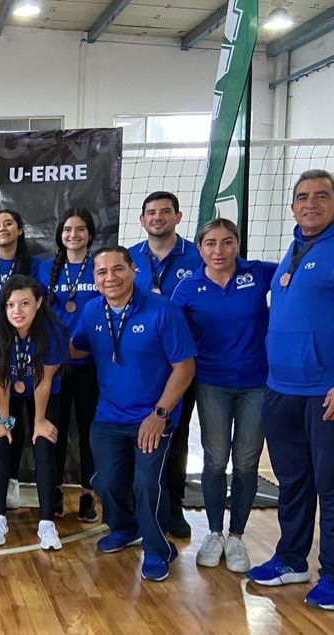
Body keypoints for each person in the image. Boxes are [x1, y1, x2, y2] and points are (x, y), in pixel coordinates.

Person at [247, 170, 334, 611]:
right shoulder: (296, 247)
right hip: (282, 388)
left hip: (331, 390)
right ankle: (291, 558)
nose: (310, 204)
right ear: (292, 207)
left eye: (321, 196)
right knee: (294, 482)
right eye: (302, 197)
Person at [70, 247, 195, 581]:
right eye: (101, 272)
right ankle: (124, 528)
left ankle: (158, 549)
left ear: (132, 271)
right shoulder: (93, 311)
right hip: (108, 418)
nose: (110, 277)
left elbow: (185, 367)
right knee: (107, 482)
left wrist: (159, 413)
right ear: (94, 278)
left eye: (117, 269)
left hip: (152, 418)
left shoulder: (162, 310)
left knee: (145, 484)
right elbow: (74, 347)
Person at [171, 218, 275, 573]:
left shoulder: (258, 274)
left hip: (257, 384)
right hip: (211, 383)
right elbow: (174, 336)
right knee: (215, 460)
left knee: (246, 462)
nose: (219, 251)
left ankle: (237, 536)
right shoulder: (187, 288)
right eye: (211, 243)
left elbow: (300, 279)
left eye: (227, 242)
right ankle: (214, 533)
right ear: (199, 248)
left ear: (238, 245)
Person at [128, 191, 203, 538]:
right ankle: (136, 507)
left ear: (178, 216)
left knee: (177, 433)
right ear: (142, 220)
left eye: (164, 212)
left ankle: (173, 506)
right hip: (138, 363)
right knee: (133, 432)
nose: (157, 218)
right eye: (151, 213)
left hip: (181, 360)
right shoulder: (129, 259)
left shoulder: (198, 256)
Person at [0, 275, 66, 548]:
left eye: (25, 304)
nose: (17, 311)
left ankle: (46, 524)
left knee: (43, 444)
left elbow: (44, 379)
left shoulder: (53, 330)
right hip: (6, 390)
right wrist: (3, 421)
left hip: (42, 390)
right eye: (10, 305)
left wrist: (40, 421)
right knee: (1, 442)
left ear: (39, 303)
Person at [38, 208, 101, 522]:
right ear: (60, 235)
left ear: (90, 233)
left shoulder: (100, 267)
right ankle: (56, 491)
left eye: (79, 230)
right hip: (56, 364)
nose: (73, 236)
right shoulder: (46, 268)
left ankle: (89, 495)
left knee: (91, 432)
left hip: (93, 363)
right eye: (67, 230)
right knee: (56, 430)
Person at [0, 209, 42, 324]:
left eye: (8, 224)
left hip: (22, 333)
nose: (2, 228)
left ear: (20, 230)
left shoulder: (34, 265)